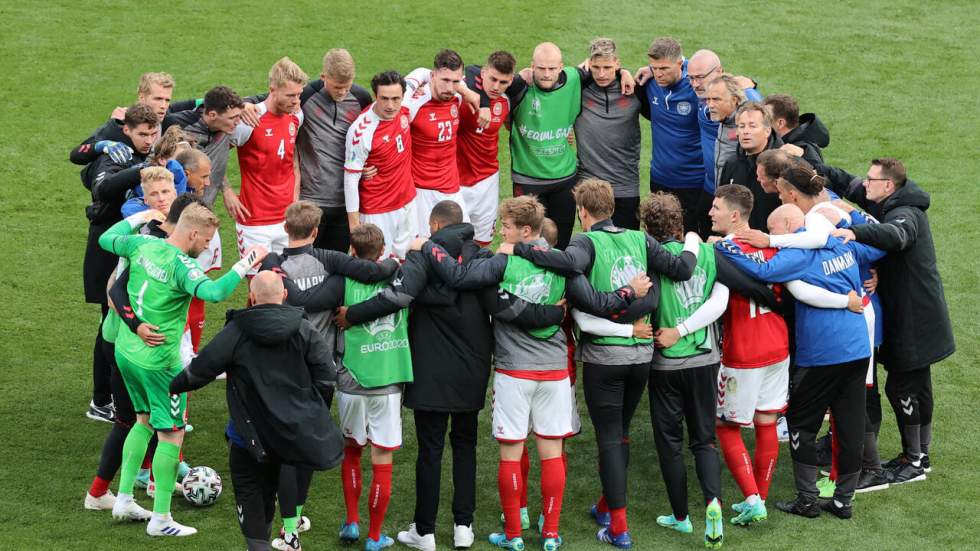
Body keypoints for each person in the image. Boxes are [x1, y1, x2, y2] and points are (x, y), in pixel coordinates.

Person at [416, 196, 647, 551]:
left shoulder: (502, 262)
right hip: (555, 373)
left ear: (525, 230)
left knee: (511, 453)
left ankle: (513, 535)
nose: (500, 235)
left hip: (513, 372)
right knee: (552, 452)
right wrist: (630, 290)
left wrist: (429, 248)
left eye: (506, 228)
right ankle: (551, 534)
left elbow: (463, 281)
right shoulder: (563, 264)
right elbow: (600, 303)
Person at [98, 204, 266, 536]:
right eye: (205, 241)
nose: (206, 247)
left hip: (127, 351)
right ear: (192, 233)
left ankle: (124, 499)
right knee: (171, 434)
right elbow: (216, 292)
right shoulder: (182, 266)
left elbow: (107, 238)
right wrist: (248, 260)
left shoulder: (142, 244)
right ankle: (161, 519)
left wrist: (139, 217)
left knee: (142, 420)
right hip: (160, 363)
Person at [707, 184, 864, 525]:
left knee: (734, 425)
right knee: (772, 422)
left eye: (715, 208)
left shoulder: (743, 252)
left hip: (751, 351)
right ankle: (773, 495)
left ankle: (762, 499)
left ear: (734, 215)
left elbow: (743, 284)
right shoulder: (809, 246)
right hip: (791, 349)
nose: (709, 213)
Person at [258, 200, 399, 550]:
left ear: (286, 228)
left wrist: (273, 262)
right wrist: (398, 260)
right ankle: (293, 524)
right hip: (324, 370)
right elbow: (372, 272)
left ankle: (293, 518)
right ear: (316, 231)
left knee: (291, 444)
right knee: (306, 446)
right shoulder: (331, 262)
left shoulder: (273, 266)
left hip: (284, 367)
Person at [169, 271, 345, 551]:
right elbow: (326, 378)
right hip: (290, 437)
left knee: (254, 518)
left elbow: (200, 370)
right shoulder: (305, 329)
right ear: (284, 295)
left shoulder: (236, 331)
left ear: (251, 298)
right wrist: (310, 415)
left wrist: (169, 386)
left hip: (247, 440)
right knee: (269, 500)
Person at [832, 158, 955, 484]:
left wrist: (853, 231)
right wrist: (813, 162)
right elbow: (850, 183)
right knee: (918, 385)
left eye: (872, 181)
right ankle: (920, 455)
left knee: (902, 386)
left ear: (889, 186)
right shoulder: (895, 199)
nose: (865, 185)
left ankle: (913, 461)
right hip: (924, 315)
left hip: (913, 321)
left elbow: (898, 236)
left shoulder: (905, 214)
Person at [633, 192, 726, 548]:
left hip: (665, 362)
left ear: (647, 228)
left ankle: (681, 517)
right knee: (704, 440)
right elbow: (721, 299)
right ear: (680, 223)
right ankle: (714, 503)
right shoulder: (707, 252)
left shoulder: (649, 258)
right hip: (705, 359)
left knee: (670, 442)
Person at [81, 103, 161, 423]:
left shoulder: (148, 154)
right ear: (126, 130)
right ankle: (102, 400)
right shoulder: (114, 155)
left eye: (153, 133)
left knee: (123, 323)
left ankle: (121, 395)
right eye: (142, 134)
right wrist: (140, 171)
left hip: (129, 248)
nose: (148, 140)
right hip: (106, 250)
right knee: (110, 325)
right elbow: (101, 187)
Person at [228, 57, 307, 269]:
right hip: (254, 222)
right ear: (272, 90)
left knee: (286, 284)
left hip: (286, 220)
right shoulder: (249, 121)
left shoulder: (296, 116)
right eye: (290, 95)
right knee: (259, 285)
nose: (296, 101)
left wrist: (295, 195)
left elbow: (292, 158)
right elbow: (213, 156)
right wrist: (226, 191)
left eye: (299, 95)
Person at [508, 42, 583, 249]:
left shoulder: (574, 78)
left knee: (562, 241)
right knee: (527, 241)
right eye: (541, 68)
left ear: (561, 67)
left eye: (552, 68)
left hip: (565, 179)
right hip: (528, 180)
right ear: (532, 66)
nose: (547, 74)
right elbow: (483, 79)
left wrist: (626, 73)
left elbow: (601, 66)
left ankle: (558, 281)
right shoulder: (518, 87)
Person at [402, 50, 479, 236]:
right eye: (445, 80)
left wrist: (468, 93)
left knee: (464, 241)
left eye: (455, 82)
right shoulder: (415, 102)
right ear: (432, 76)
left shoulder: (459, 97)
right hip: (421, 190)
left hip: (452, 187)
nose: (450, 88)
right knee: (424, 249)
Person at [574, 38, 648, 230]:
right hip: (590, 185)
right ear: (589, 64)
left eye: (607, 67)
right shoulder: (579, 87)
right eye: (596, 67)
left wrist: (626, 74)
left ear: (617, 62)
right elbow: (550, 80)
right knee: (594, 248)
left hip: (625, 185)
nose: (601, 73)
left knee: (627, 248)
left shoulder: (635, 89)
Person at [344, 71, 418, 259]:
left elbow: (425, 73)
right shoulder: (361, 130)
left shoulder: (405, 107)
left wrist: (466, 91)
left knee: (409, 260)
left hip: (407, 201)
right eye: (384, 98)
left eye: (396, 99)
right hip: (378, 209)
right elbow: (350, 180)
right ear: (375, 96)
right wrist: (355, 226)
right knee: (376, 264)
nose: (391, 105)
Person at [638, 38, 704, 232]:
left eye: (664, 68)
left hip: (694, 181)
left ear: (680, 63)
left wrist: (750, 84)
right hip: (659, 178)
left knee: (690, 237)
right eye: (654, 68)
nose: (658, 74)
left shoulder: (697, 86)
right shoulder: (649, 82)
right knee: (658, 237)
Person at [457, 51, 517, 245]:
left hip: (487, 181)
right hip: (455, 182)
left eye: (503, 82)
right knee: (451, 239)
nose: (496, 87)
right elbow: (454, 75)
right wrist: (481, 101)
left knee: (482, 241)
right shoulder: (461, 95)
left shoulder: (507, 100)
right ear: (482, 73)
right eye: (493, 79)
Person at [718, 102, 784, 230]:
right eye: (741, 126)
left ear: (767, 131)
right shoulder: (731, 164)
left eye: (752, 126)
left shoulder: (782, 164)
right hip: (737, 242)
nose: (745, 131)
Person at [763, 94, 829, 165]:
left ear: (780, 123)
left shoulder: (801, 153)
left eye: (766, 119)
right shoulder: (791, 139)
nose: (761, 122)